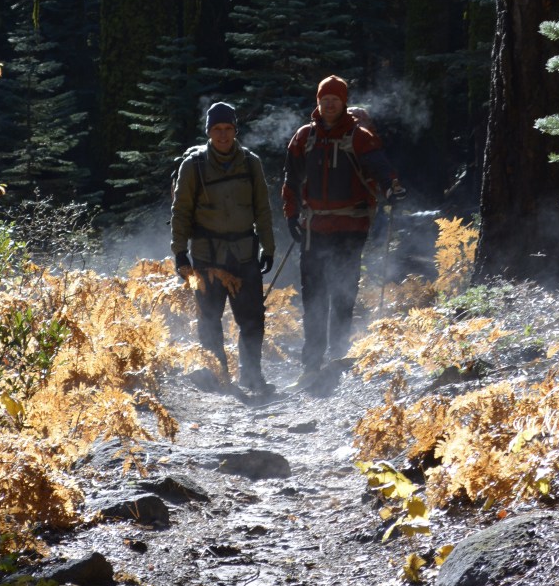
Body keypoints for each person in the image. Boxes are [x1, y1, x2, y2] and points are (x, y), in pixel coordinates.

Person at [282, 75, 404, 375]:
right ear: (318, 102)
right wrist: (290, 214)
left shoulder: (360, 136)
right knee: (313, 297)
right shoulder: (303, 138)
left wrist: (392, 188)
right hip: (314, 229)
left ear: (344, 101)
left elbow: (380, 167)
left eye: (335, 99)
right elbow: (291, 180)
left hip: (350, 228)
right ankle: (311, 365)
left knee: (343, 293)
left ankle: (337, 359)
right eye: (325, 99)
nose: (330, 104)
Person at [171, 102, 277, 394]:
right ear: (208, 132)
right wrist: (180, 252)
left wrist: (268, 248)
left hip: (244, 254)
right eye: (217, 129)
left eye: (228, 128)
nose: (223, 135)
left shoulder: (251, 163)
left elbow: (263, 210)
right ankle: (219, 377)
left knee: (253, 318)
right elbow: (180, 212)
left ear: (235, 130)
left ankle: (252, 376)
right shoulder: (192, 167)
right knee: (209, 319)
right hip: (205, 257)